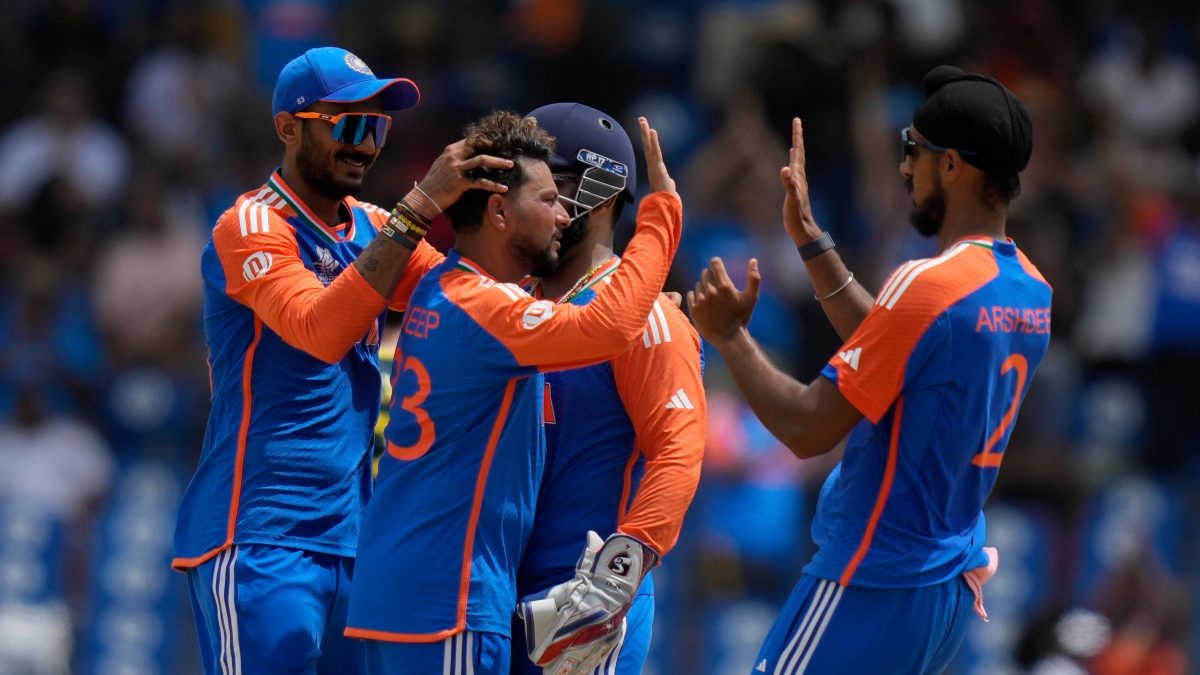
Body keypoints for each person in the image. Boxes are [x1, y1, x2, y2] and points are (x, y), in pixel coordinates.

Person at [687, 65, 1052, 674]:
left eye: (913, 150)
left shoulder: (928, 282)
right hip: (944, 591)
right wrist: (811, 240)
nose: (905, 168)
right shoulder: (1031, 290)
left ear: (952, 166)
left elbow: (808, 427)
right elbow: (897, 345)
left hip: (871, 579)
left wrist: (730, 336)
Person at [171, 46, 512, 675]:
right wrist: (421, 207)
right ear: (287, 127)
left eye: (376, 127)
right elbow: (320, 331)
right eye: (349, 124)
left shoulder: (375, 227)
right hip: (258, 532)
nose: (365, 145)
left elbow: (479, 307)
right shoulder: (250, 224)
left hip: (357, 540)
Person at [344, 110, 683, 674]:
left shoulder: (438, 288)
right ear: (499, 211)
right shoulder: (490, 307)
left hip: (404, 586)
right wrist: (662, 215)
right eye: (549, 197)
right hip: (452, 595)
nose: (562, 213)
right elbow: (609, 326)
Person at [511, 102, 706, 675]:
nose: (519, 202)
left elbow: (678, 452)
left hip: (582, 607)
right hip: (496, 596)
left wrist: (613, 582)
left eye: (547, 185)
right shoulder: (509, 302)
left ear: (598, 195)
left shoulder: (649, 318)